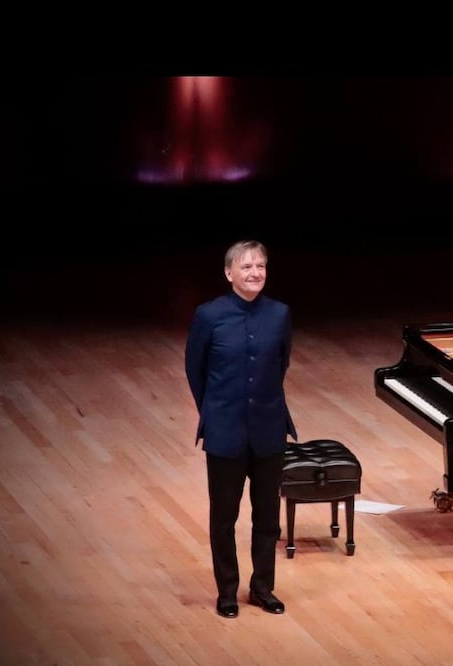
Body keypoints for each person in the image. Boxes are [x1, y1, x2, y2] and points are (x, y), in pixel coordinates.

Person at [184, 240, 297, 618]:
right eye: (246, 267)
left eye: (260, 266)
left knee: (267, 518)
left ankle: (263, 588)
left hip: (268, 430)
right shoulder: (209, 315)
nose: (255, 273)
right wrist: (215, 412)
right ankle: (227, 592)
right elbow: (195, 369)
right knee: (224, 518)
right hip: (225, 432)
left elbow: (281, 364)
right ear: (229, 273)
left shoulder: (279, 314)